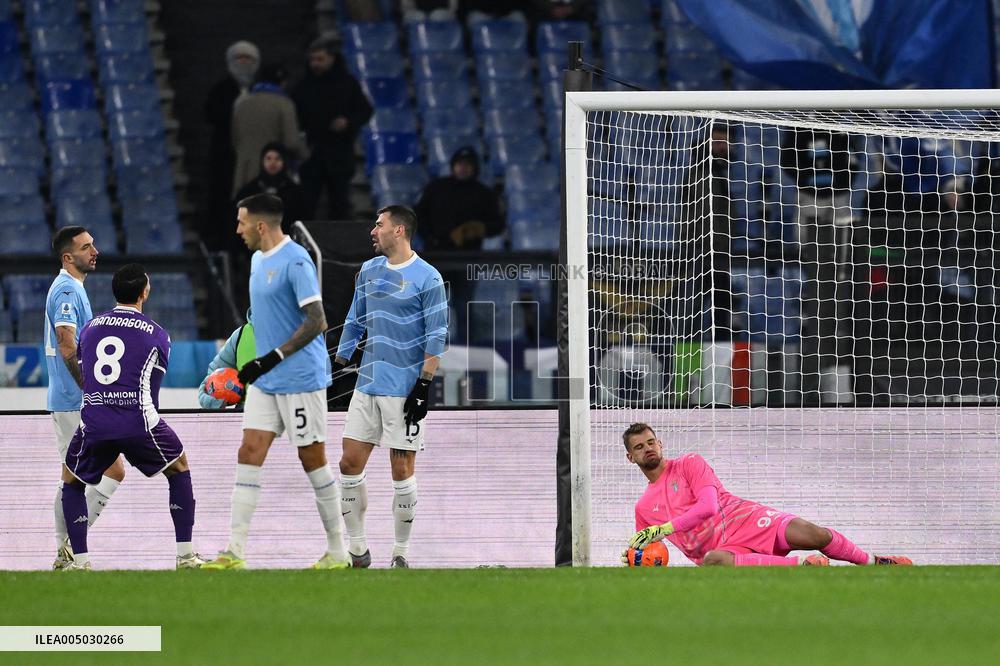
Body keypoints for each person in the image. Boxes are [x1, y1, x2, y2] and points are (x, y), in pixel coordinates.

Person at [204, 193, 347, 570]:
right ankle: (234, 552)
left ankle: (338, 551)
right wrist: (264, 365)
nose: (237, 229)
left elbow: (318, 320)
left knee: (312, 459)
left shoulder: (296, 260)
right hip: (266, 381)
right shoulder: (255, 260)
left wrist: (272, 358)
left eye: (241, 222)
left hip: (300, 378)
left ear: (261, 225)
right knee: (248, 452)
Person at [60, 264, 206, 570]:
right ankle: (185, 556)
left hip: (95, 420)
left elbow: (86, 374)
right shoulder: (158, 335)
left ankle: (80, 561)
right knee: (179, 468)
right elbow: (152, 393)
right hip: (138, 422)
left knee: (71, 481)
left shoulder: (89, 328)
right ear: (144, 292)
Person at [623, 422, 913, 567]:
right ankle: (804, 566)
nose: (648, 449)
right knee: (713, 561)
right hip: (724, 551)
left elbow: (709, 507)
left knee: (816, 535)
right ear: (630, 458)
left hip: (747, 520)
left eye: (651, 442)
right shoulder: (643, 508)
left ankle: (876, 563)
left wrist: (665, 528)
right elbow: (647, 553)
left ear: (660, 443)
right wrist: (633, 558)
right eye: (639, 447)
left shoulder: (689, 463)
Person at [334, 205, 449, 568]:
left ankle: (400, 553)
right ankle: (357, 549)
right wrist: (339, 364)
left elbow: (437, 335)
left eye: (379, 225)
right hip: (367, 385)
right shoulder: (368, 271)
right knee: (349, 462)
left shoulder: (428, 278)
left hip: (404, 389)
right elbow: (355, 318)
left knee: (401, 470)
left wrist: (423, 387)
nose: (373, 230)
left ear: (399, 231)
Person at [45, 226, 126, 570]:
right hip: (72, 399)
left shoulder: (74, 288)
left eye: (93, 244)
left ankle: (66, 549)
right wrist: (90, 388)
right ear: (68, 257)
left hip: (73, 399)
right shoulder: (66, 289)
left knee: (77, 474)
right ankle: (67, 548)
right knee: (89, 474)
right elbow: (67, 342)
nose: (95, 251)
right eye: (86, 246)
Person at [291, 37, 373, 220]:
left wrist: (348, 121)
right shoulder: (303, 86)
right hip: (312, 152)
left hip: (340, 152)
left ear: (331, 58)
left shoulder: (347, 83)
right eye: (312, 60)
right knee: (307, 203)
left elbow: (365, 110)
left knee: (340, 203)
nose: (315, 64)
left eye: (320, 59)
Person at [204, 40, 260, 251]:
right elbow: (210, 114)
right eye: (239, 59)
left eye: (248, 59)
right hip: (224, 156)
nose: (243, 63)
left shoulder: (260, 90)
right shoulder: (221, 90)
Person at [231, 63, 309, 197]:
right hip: (272, 173)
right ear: (283, 82)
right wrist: (305, 154)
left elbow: (234, 139)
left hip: (244, 169)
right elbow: (291, 142)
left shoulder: (241, 103)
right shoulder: (284, 104)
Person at [234, 142, 307, 233]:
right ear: (262, 161)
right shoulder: (249, 192)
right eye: (268, 158)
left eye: (277, 159)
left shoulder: (294, 193)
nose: (273, 163)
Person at [198, 314, 255, 410]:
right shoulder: (241, 334)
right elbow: (209, 382)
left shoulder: (288, 334)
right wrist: (211, 401)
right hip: (246, 418)